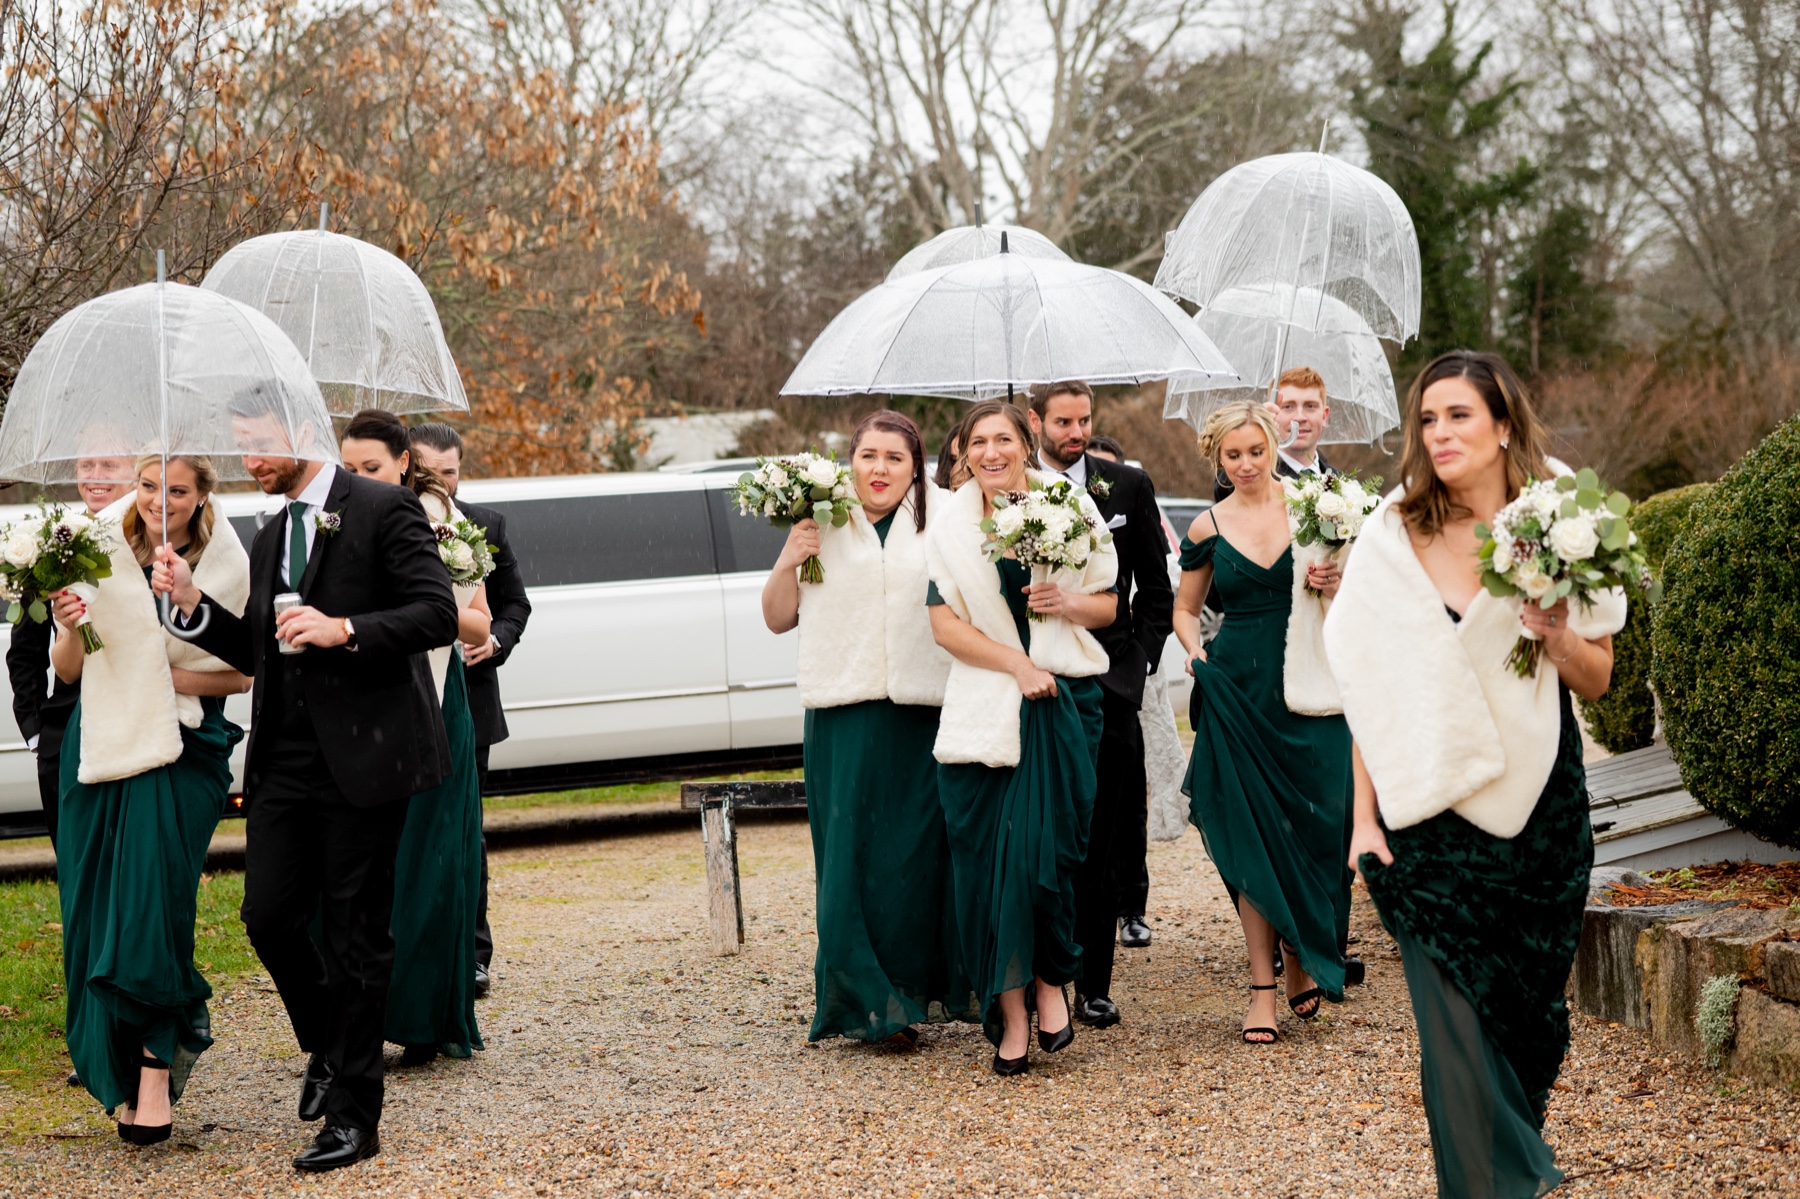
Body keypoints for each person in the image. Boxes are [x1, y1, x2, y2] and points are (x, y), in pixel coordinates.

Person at [1327, 351, 1619, 1197]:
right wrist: (1363, 819)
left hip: (1538, 813)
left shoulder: (1561, 518)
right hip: (1425, 815)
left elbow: (1596, 675)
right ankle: (1497, 1185)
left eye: (1458, 415)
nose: (1440, 433)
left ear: (1501, 424)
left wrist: (1555, 632)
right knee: (1451, 1024)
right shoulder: (1391, 535)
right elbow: (1368, 692)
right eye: (1427, 419)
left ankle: (1508, 1162)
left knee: (1524, 1017)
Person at [153, 396, 458, 1173]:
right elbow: (256, 647)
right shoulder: (273, 530)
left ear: (301, 433)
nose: (248, 459)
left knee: (358, 935)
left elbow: (434, 613)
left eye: (258, 443)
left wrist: (344, 629)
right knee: (269, 917)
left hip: (368, 758)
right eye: (241, 444)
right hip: (285, 762)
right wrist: (189, 602)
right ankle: (334, 1037)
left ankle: (357, 1115)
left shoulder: (385, 508)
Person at [54, 455, 250, 1144]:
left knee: (153, 907)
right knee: (92, 910)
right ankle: (112, 1065)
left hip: (182, 750)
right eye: (148, 485)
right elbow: (69, 669)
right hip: (100, 743)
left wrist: (166, 668)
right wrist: (71, 621)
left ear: (202, 498)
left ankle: (155, 1070)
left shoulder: (224, 562)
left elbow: (243, 674)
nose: (159, 499)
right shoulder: (96, 548)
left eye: (177, 489)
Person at [925, 399, 1118, 1075]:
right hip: (984, 707)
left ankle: (1048, 981)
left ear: (1025, 439)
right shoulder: (948, 523)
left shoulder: (1068, 504)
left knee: (1045, 857)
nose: (990, 451)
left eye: (1002, 437)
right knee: (985, 869)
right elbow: (944, 625)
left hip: (1061, 702)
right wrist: (1015, 663)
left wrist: (1063, 603)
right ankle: (1010, 1012)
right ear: (965, 451)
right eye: (978, 441)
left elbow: (1109, 601)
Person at [761, 408, 965, 1046]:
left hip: (920, 713)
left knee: (911, 861)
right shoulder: (821, 517)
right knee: (847, 861)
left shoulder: (942, 521)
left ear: (916, 468)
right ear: (850, 460)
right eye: (869, 455)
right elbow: (776, 617)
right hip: (842, 713)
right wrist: (790, 557)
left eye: (895, 458)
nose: (880, 469)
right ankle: (862, 1001)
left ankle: (907, 996)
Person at [1171, 401, 1351, 1045]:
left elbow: (1362, 597)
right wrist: (1194, 654)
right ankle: (1262, 989)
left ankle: (1304, 955)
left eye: (1256, 451)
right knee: (1252, 835)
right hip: (1238, 686)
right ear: (1217, 459)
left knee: (1321, 823)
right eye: (1233, 455)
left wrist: (1334, 582)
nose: (1246, 464)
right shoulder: (1205, 528)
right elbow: (1186, 611)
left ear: (1275, 446)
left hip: (1312, 680)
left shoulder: (1322, 508)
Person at [340, 410, 489, 1067]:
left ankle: (424, 1016)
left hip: (431, 698)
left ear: (402, 462)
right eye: (349, 469)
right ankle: (358, 1015)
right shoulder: (332, 519)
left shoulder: (442, 517)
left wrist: (424, 599)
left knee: (428, 866)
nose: (360, 479)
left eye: (371, 468)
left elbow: (478, 626)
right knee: (362, 868)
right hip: (360, 702)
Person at [1026, 384, 1172, 1027]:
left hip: (1110, 686)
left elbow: (1156, 592)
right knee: (1043, 834)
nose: (1076, 431)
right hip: (1032, 680)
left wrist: (1136, 662)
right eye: (1063, 421)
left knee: (1102, 833)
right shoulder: (1011, 489)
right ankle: (1036, 973)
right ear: (1035, 421)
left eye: (1085, 419)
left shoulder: (1126, 487)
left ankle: (1093, 981)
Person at [408, 422, 531, 1000]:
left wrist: (495, 641)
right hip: (402, 699)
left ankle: (472, 953)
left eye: (450, 470)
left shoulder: (482, 527)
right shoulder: (386, 526)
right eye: (428, 470)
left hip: (467, 702)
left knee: (464, 832)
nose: (440, 481)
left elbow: (515, 604)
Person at [7, 453, 132, 853]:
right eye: (86, 466)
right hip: (65, 734)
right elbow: (25, 651)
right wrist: (34, 732)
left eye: (110, 465)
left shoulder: (153, 543)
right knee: (77, 870)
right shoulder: (54, 541)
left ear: (136, 470)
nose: (96, 477)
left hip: (134, 728)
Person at [1211, 366, 1335, 503]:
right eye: (1288, 406)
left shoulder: (1346, 484)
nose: (1300, 417)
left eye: (1310, 406)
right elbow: (1225, 486)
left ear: (1324, 416)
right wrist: (1257, 433)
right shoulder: (1255, 475)